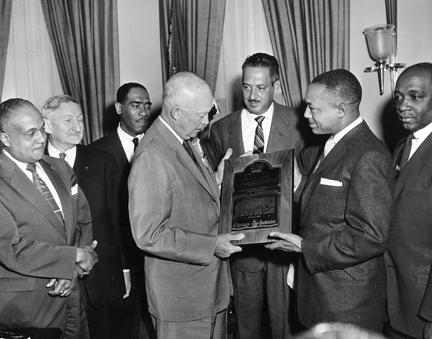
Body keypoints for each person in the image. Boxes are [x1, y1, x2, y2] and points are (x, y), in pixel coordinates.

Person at [266, 69, 394, 332]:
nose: (305, 115)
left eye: (313, 108)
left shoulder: (368, 154)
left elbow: (371, 236)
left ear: (341, 109)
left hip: (347, 301)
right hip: (320, 294)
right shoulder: (328, 144)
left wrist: (306, 248)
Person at [128, 71, 244, 339]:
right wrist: (211, 245)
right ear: (176, 113)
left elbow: (189, 198)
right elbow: (148, 235)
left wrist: (217, 179)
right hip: (182, 300)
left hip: (208, 289)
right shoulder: (153, 155)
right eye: (200, 115)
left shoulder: (184, 140)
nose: (206, 123)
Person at [202, 52, 303, 339]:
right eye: (246, 86)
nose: (252, 95)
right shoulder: (222, 128)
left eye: (261, 87)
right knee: (246, 327)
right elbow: (211, 188)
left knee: (285, 326)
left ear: (276, 85)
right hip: (243, 246)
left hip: (284, 245)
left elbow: (307, 184)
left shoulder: (299, 124)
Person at [0, 98, 97, 336]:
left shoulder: (60, 168)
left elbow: (82, 221)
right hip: (29, 310)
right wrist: (74, 256)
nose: (42, 138)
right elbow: (11, 248)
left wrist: (71, 270)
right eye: (30, 133)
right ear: (5, 138)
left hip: (73, 297)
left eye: (42, 129)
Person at [42, 95, 127, 339]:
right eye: (68, 120)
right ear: (47, 126)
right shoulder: (35, 166)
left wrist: (125, 270)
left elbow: (119, 221)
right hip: (55, 283)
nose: (77, 126)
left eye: (79, 119)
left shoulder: (102, 161)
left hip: (102, 278)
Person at [90, 82, 153, 338]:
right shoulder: (95, 152)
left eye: (147, 106)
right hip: (119, 262)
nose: (143, 112)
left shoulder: (161, 147)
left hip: (154, 257)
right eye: (135, 105)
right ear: (118, 108)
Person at [386, 62, 432, 339]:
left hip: (423, 303)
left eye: (415, 96)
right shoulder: (402, 145)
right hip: (397, 297)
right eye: (399, 97)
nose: (403, 105)